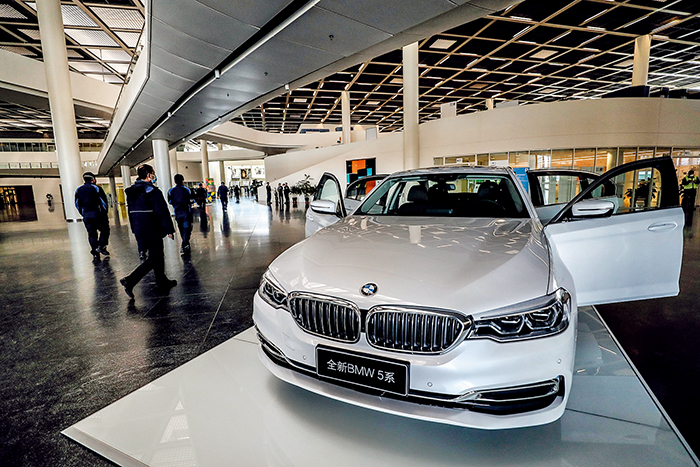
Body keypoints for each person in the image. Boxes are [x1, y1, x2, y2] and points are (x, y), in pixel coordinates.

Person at [120, 164, 177, 298]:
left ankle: (161, 279)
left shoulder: (132, 192)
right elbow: (161, 211)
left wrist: (134, 228)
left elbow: (131, 212)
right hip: (153, 227)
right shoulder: (152, 191)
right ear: (148, 175)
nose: (154, 175)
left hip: (140, 228)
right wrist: (169, 229)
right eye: (153, 173)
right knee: (155, 257)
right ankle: (130, 280)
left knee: (157, 254)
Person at [74, 172, 110, 260]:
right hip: (98, 215)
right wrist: (104, 213)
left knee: (92, 234)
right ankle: (101, 246)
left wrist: (83, 213)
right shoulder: (97, 188)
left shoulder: (79, 190)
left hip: (87, 215)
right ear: (93, 179)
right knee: (105, 230)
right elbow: (103, 203)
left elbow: (77, 204)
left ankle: (95, 252)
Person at [168, 174, 195, 255]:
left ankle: (185, 243)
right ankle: (184, 244)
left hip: (177, 212)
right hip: (186, 212)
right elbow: (192, 200)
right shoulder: (187, 190)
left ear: (174, 181)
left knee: (181, 229)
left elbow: (170, 201)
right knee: (187, 229)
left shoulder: (171, 191)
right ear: (183, 181)